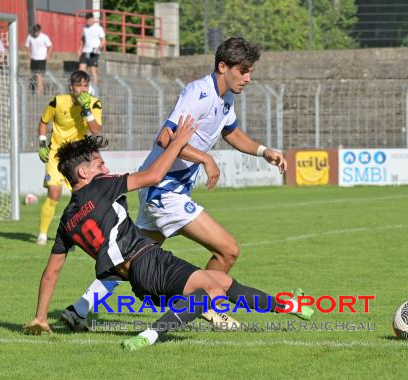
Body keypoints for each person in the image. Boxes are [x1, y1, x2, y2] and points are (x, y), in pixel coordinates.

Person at [62, 37, 287, 330]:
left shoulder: (225, 98)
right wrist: (205, 158)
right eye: (243, 71)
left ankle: (79, 310)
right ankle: (204, 305)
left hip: (164, 187)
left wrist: (262, 151)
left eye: (250, 71)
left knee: (129, 259)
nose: (248, 77)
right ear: (223, 66)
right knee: (228, 250)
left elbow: (231, 132)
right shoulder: (198, 92)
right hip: (164, 188)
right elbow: (166, 138)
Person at [23, 130, 313, 351]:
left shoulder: (68, 220)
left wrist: (40, 317)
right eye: (99, 164)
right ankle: (151, 335)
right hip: (149, 260)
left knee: (221, 283)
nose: (105, 167)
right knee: (213, 291)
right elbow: (154, 175)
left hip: (139, 280)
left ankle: (290, 307)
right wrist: (178, 143)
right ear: (84, 173)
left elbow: (51, 273)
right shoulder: (102, 186)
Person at [36, 70, 102, 245]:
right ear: (71, 87)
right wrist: (42, 143)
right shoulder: (58, 102)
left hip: (78, 157)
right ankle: (42, 234)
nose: (82, 89)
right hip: (56, 154)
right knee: (54, 193)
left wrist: (86, 109)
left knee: (81, 197)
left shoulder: (94, 104)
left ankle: (75, 236)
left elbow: (95, 130)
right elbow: (43, 121)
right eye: (78, 85)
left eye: (85, 85)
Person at [78, 13, 105, 86]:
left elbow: (103, 40)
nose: (89, 21)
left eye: (90, 20)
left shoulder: (98, 28)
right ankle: (81, 85)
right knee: (81, 68)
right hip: (86, 51)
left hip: (94, 52)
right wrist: (80, 49)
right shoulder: (85, 28)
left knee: (93, 70)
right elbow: (82, 40)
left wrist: (98, 48)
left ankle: (95, 87)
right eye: (87, 20)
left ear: (93, 19)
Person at [25, 24, 52, 95]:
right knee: (33, 75)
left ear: (40, 31)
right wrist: (29, 53)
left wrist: (48, 55)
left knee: (38, 75)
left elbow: (50, 46)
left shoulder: (44, 37)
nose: (35, 33)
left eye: (37, 31)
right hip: (34, 58)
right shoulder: (30, 36)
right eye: (35, 31)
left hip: (42, 59)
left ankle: (39, 92)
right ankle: (41, 90)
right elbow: (27, 45)